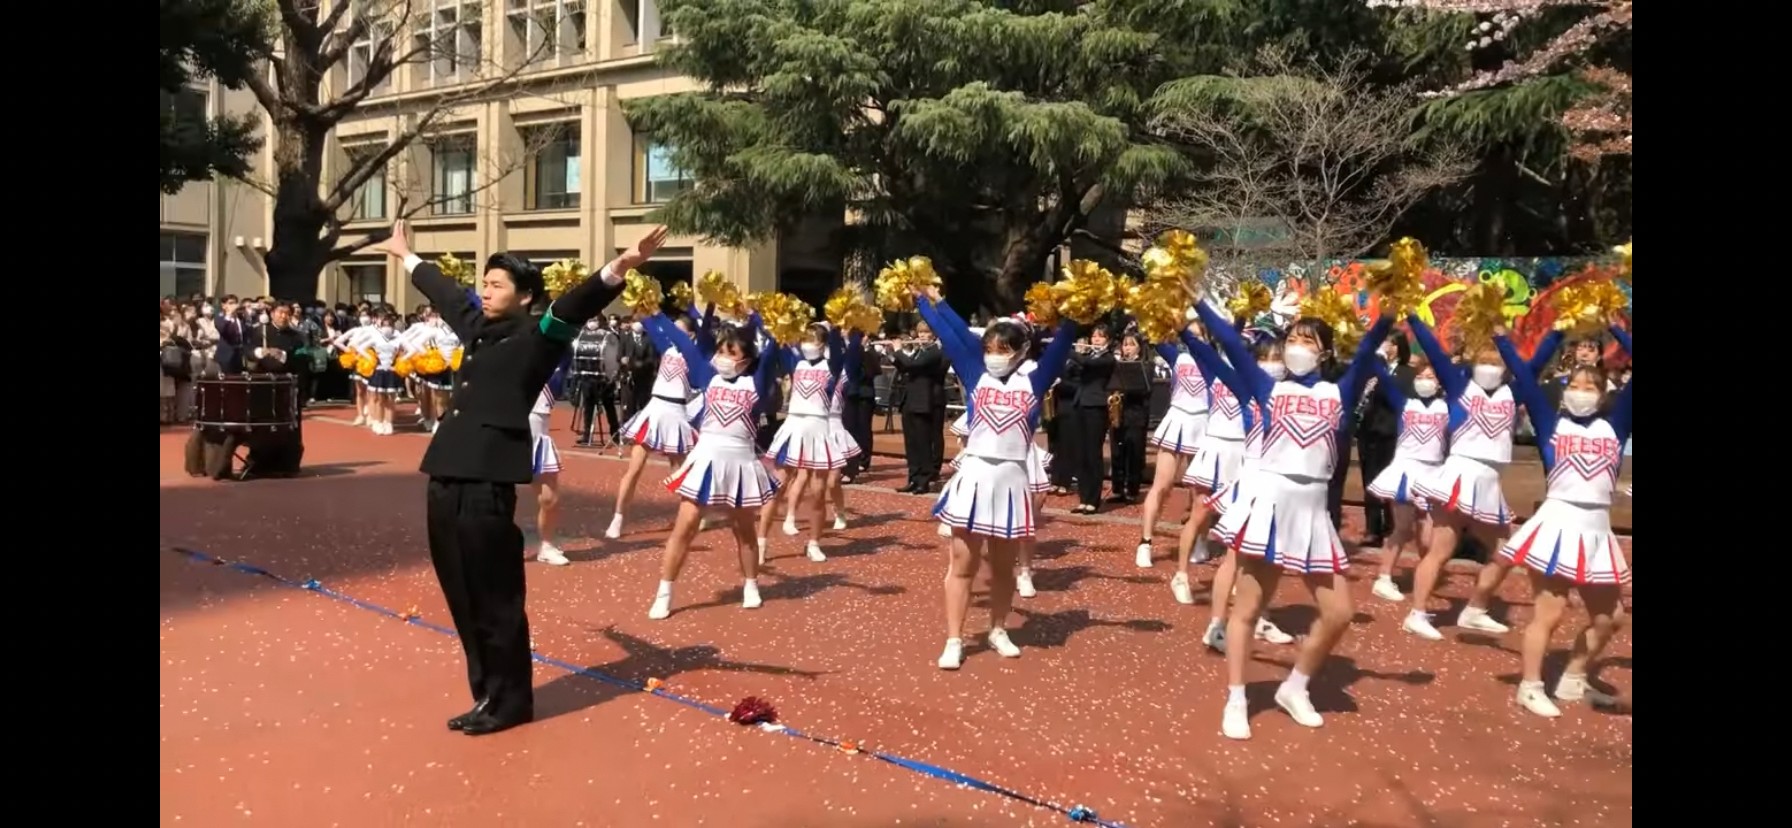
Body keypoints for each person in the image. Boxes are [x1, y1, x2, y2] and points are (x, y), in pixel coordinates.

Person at [370, 219, 664, 737]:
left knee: (495, 596)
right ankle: (486, 694)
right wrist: (405, 255)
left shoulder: (539, 336)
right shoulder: (477, 327)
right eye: (484, 283)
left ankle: (511, 702)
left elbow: (574, 305)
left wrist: (620, 266)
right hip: (446, 471)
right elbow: (446, 293)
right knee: (461, 592)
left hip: (488, 477)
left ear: (525, 296)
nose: (485, 291)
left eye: (496, 284)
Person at [1197, 298, 1393, 741]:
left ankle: (1295, 686)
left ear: (1325, 352)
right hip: (1270, 506)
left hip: (1312, 512)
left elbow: (1367, 350)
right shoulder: (1269, 389)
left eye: (1308, 340)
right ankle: (1236, 697)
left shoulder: (1339, 392)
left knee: (1339, 612)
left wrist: (1388, 312)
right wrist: (1197, 302)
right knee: (1247, 610)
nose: (1297, 346)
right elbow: (1231, 344)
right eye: (1293, 339)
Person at [916, 289, 1077, 669]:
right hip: (975, 477)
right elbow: (950, 334)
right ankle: (954, 639)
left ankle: (998, 628)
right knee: (963, 563)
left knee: (1003, 567)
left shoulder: (1035, 380)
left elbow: (1064, 341)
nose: (994, 355)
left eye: (1003, 349)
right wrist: (927, 301)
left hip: (1011, 481)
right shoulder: (975, 373)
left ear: (1021, 352)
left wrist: (1078, 306)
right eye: (989, 347)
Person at [1496, 324, 1632, 717]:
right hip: (1557, 523)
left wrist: (1614, 327)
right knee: (1549, 613)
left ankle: (1573, 676)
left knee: (1610, 618)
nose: (1580, 391)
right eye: (1574, 384)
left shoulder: (1615, 426)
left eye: (1590, 387)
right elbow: (1524, 376)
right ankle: (1530, 685)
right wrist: (1507, 339)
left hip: (1596, 530)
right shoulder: (1550, 422)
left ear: (1604, 394)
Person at [1400, 319, 1562, 640]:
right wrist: (1413, 318)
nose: (1489, 367)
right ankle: (1416, 613)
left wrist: (1558, 329)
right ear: (1474, 365)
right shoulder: (1459, 388)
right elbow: (1434, 351)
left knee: (1506, 551)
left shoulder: (1512, 393)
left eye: (1495, 362)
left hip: (1489, 482)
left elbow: (1537, 363)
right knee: (1441, 549)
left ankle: (1475, 608)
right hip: (1460, 475)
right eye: (1484, 361)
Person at [645, 311, 780, 620]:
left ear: (746, 360)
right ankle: (664, 592)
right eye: (720, 351)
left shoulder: (756, 383)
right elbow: (685, 342)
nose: (722, 357)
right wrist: (656, 315)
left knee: (744, 530)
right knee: (685, 525)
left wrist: (758, 317)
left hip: (741, 462)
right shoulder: (709, 377)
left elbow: (774, 347)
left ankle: (750, 584)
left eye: (730, 353)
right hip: (706, 458)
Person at [604, 307, 704, 540]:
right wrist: (643, 305)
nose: (672, 333)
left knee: (680, 471)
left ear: (690, 335)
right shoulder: (667, 347)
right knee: (634, 468)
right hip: (655, 409)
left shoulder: (695, 355)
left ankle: (691, 515)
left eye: (679, 330)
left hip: (677, 413)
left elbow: (705, 333)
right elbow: (650, 324)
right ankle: (618, 518)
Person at [1364, 356, 1449, 602]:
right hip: (1406, 471)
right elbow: (1383, 377)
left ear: (1440, 382)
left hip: (1434, 473)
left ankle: (1425, 575)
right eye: (1420, 377)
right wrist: (1378, 353)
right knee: (1402, 528)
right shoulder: (1405, 403)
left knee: (1428, 536)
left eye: (1430, 377)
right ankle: (1384, 577)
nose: (1424, 381)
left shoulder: (1447, 407)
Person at [1137, 313, 1212, 574]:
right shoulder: (1177, 357)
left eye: (1198, 335)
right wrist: (1145, 307)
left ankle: (1201, 540)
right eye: (1189, 335)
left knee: (1200, 491)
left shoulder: (1215, 362)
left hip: (1203, 425)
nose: (1192, 340)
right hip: (1177, 420)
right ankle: (1145, 542)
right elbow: (1152, 333)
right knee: (1162, 485)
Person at [1355, 337, 1410, 546]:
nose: (1387, 346)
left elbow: (1396, 396)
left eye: (1392, 343)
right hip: (1368, 430)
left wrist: (1381, 370)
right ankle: (1373, 528)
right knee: (1369, 480)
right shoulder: (1372, 371)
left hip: (1390, 432)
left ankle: (1391, 525)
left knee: (1387, 479)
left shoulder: (1406, 373)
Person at [891, 323, 948, 494]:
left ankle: (924, 479)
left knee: (923, 442)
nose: (922, 335)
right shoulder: (919, 351)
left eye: (926, 332)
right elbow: (905, 368)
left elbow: (912, 365)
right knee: (912, 443)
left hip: (923, 402)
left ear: (933, 335)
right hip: (910, 400)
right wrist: (895, 357)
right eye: (920, 332)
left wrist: (898, 351)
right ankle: (913, 477)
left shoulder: (934, 352)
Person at [1066, 325, 1117, 513]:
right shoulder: (1089, 356)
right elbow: (1073, 371)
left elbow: (1087, 364)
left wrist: (1065, 347)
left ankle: (1093, 500)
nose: (1095, 339)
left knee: (1093, 453)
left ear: (1108, 341)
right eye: (1093, 336)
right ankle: (1083, 498)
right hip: (1080, 404)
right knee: (1081, 453)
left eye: (1100, 337)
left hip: (1096, 406)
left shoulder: (1108, 359)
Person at [1107, 332, 1153, 504]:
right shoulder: (1116, 365)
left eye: (1131, 344)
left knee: (1134, 451)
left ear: (1139, 348)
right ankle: (1118, 489)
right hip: (1119, 413)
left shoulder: (1146, 366)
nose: (1127, 348)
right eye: (1125, 344)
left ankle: (1132, 489)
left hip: (1136, 413)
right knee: (1117, 451)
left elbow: (1146, 389)